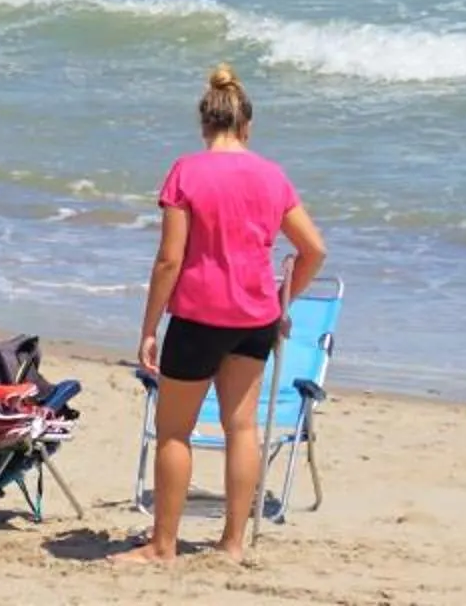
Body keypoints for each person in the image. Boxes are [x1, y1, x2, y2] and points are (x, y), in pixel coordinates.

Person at [128, 63, 329, 563]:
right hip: (255, 319)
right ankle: (233, 543)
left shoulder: (187, 171)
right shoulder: (272, 176)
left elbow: (170, 259)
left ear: (204, 124)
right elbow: (314, 250)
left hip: (199, 315)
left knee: (174, 430)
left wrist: (150, 327)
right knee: (242, 427)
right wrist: (282, 300)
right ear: (247, 126)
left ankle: (163, 545)